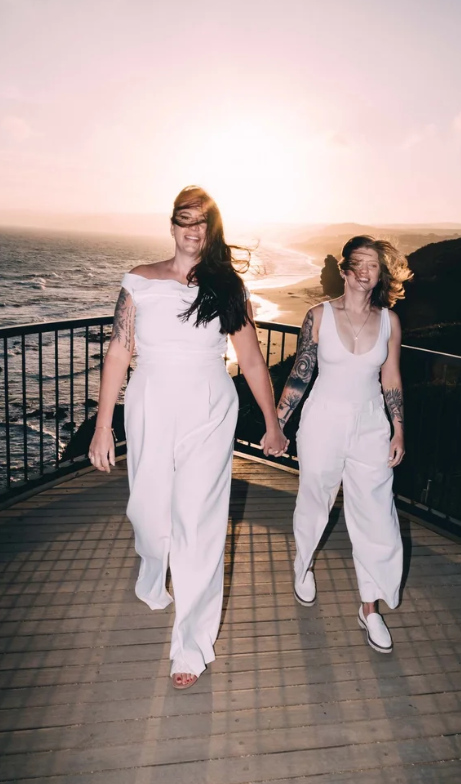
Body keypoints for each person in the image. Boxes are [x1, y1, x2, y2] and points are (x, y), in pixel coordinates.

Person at [88, 186, 288, 690]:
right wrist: (102, 425)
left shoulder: (227, 287)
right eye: (185, 219)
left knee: (199, 526)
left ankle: (192, 645)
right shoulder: (138, 281)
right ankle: (154, 574)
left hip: (209, 409)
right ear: (172, 224)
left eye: (202, 222)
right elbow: (118, 351)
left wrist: (272, 421)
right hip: (150, 405)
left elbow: (252, 360)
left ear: (211, 229)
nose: (193, 229)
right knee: (150, 516)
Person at [276, 235, 412, 653]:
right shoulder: (317, 316)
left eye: (374, 264)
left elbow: (390, 377)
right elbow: (301, 374)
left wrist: (398, 427)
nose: (367, 270)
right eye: (360, 262)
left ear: (379, 273)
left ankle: (369, 608)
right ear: (345, 268)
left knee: (376, 514)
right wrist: (277, 423)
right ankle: (303, 567)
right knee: (315, 499)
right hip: (322, 420)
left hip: (370, 423)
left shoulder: (390, 321)